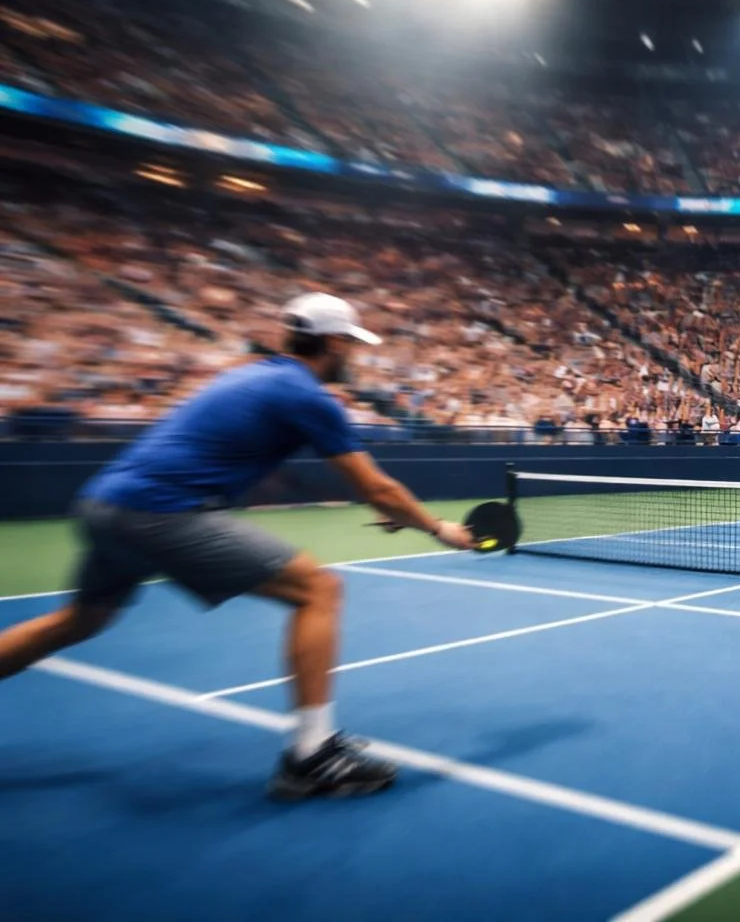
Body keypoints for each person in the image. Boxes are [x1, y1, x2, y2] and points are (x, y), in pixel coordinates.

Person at [0, 293, 477, 798]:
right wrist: (436, 527)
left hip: (105, 504)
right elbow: (376, 486)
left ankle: (313, 748)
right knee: (317, 589)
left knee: (81, 620)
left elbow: (245, 456)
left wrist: (380, 504)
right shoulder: (307, 395)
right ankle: (310, 757)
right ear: (334, 342)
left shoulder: (252, 376)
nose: (353, 356)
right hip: (158, 510)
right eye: (351, 345)